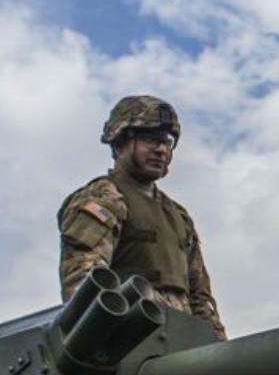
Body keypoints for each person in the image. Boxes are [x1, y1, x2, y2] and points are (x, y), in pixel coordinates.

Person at [59, 95, 224, 340]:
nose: (160, 149)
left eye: (166, 142)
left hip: (180, 342)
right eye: (150, 139)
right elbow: (84, 284)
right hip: (130, 340)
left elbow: (200, 298)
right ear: (119, 143)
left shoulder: (178, 215)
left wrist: (217, 346)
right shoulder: (104, 199)